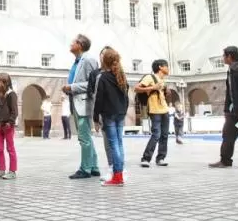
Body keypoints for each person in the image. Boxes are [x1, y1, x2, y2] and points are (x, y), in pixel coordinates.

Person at [62, 34, 100, 179]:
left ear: (80, 45)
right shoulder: (77, 61)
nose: (71, 44)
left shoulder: (88, 60)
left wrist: (71, 87)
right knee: (86, 137)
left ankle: (85, 169)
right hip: (76, 102)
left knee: (84, 138)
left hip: (84, 103)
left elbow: (93, 83)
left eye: (73, 42)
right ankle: (94, 166)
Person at [93, 47, 129, 187]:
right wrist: (124, 111)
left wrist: (96, 118)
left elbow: (99, 99)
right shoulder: (121, 76)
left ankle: (117, 176)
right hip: (120, 114)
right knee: (119, 143)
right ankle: (120, 174)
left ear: (105, 61)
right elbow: (126, 97)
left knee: (113, 145)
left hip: (108, 115)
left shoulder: (103, 77)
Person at [135, 59, 171, 168]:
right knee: (156, 134)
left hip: (164, 109)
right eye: (167, 66)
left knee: (164, 135)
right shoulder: (150, 77)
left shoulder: (162, 79)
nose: (168, 69)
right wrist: (152, 87)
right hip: (154, 110)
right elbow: (136, 88)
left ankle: (161, 158)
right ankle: (146, 158)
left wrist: (166, 91)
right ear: (160, 67)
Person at [0, 72, 18, 180]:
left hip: (7, 126)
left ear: (4, 82)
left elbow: (15, 112)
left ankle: (12, 171)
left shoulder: (11, 94)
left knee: (10, 148)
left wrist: (10, 122)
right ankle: (1, 170)